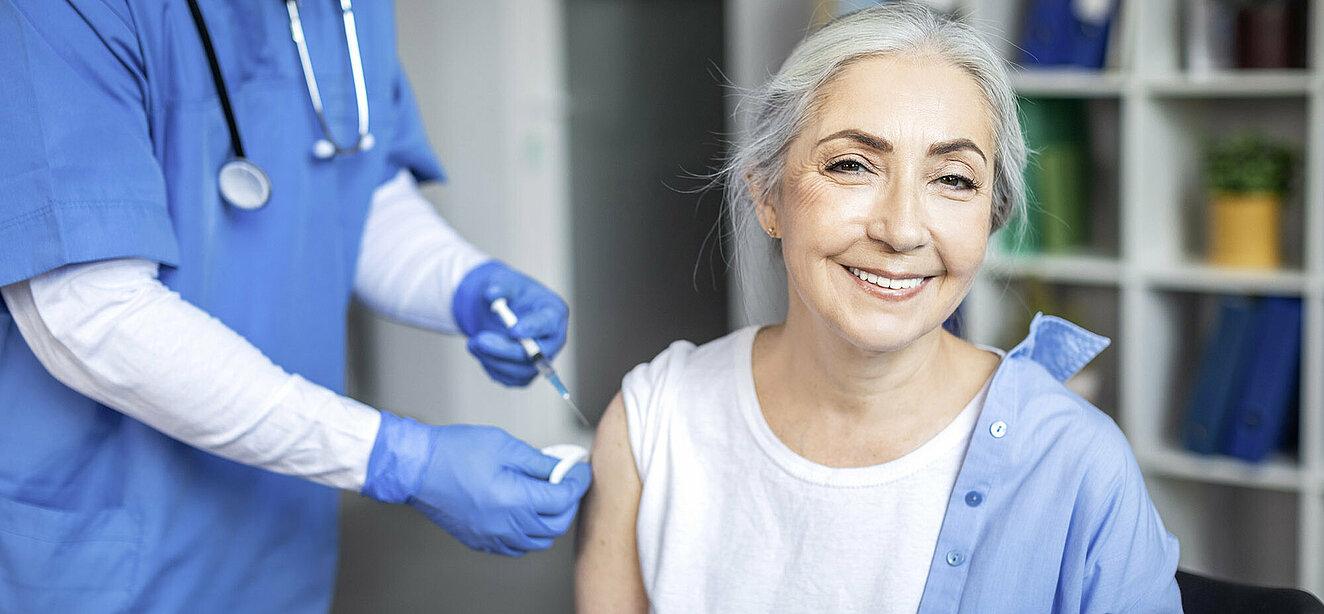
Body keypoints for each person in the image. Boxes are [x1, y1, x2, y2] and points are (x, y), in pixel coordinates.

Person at [575, 4, 1181, 613]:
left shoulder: (1078, 464)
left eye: (953, 179)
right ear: (767, 194)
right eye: (852, 165)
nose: (902, 230)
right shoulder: (652, 426)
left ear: (990, 218)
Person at [0, 1, 588, 612]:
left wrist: (466, 285)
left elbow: (358, 193)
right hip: (105, 547)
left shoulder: (348, 11)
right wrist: (397, 458)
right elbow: (93, 311)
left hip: (277, 534)